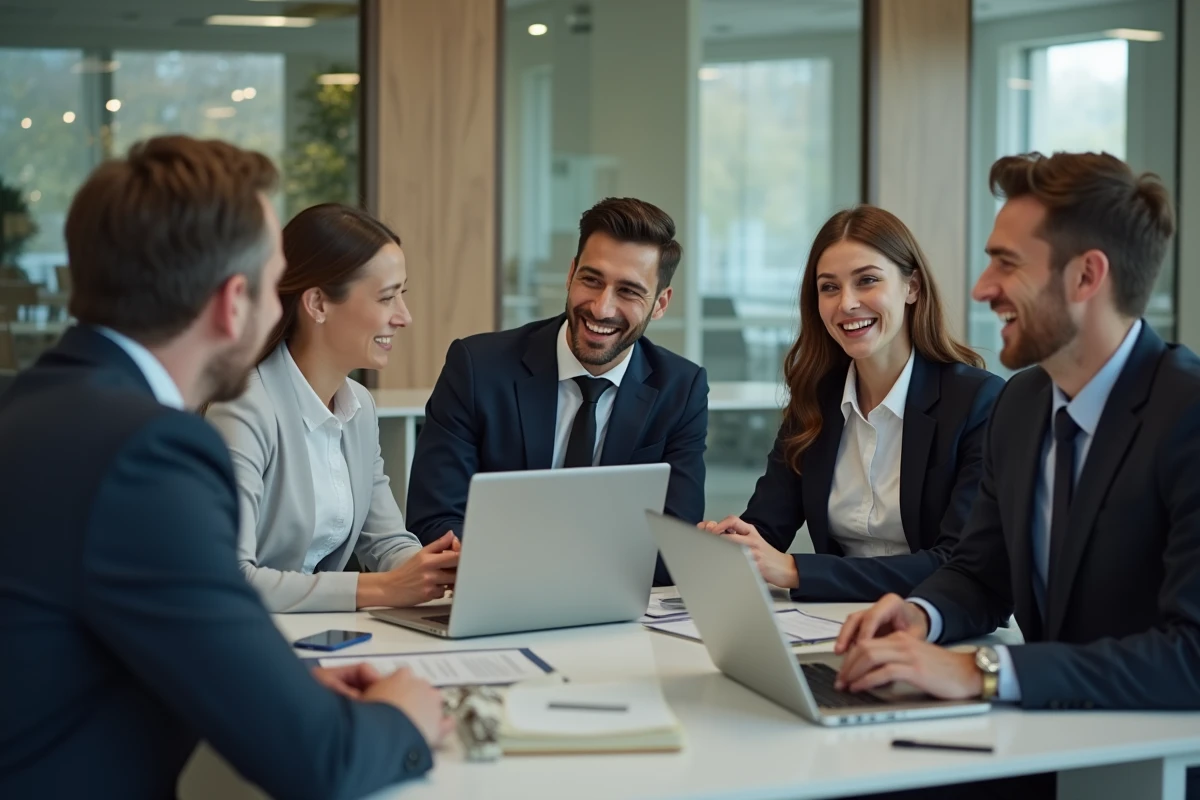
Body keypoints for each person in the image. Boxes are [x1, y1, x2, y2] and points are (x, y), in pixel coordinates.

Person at [0, 136, 451, 799]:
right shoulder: (147, 455)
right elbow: (319, 761)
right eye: (274, 285)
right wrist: (403, 719)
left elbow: (115, 645)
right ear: (231, 300)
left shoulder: (40, 406)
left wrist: (283, 687)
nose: (281, 307)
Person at [835, 152, 1199, 798]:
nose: (980, 287)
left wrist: (982, 669)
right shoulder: (1022, 403)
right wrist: (919, 615)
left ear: (1087, 275)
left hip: (1155, 764)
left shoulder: (1187, 415)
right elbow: (981, 572)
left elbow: (1190, 657)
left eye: (1007, 262)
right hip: (1046, 739)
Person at [698, 206, 1002, 601]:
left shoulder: (978, 402)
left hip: (934, 628)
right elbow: (766, 529)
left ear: (912, 287)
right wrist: (730, 544)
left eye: (868, 281)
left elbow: (957, 562)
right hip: (828, 623)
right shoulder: (816, 400)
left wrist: (795, 569)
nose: (847, 303)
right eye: (829, 287)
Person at [406, 197, 708, 585]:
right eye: (591, 280)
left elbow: (674, 543)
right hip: (497, 589)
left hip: (613, 606)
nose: (601, 308)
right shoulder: (478, 366)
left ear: (660, 303)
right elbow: (434, 516)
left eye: (629, 292)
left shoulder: (680, 389)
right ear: (570, 275)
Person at [206, 203, 459, 613]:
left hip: (319, 635)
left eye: (403, 295)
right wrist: (380, 589)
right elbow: (227, 576)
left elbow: (386, 542)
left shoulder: (359, 406)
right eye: (387, 297)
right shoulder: (243, 408)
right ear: (318, 304)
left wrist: (442, 569)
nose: (404, 317)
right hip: (246, 637)